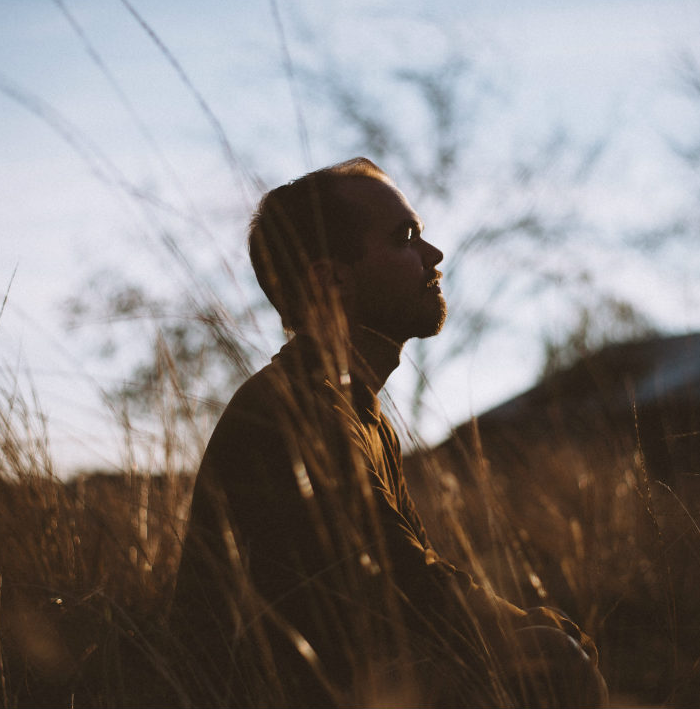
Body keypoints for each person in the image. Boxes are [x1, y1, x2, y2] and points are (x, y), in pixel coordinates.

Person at [168, 158, 607, 707]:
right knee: (551, 661)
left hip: (337, 681)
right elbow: (402, 585)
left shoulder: (359, 410)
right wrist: (526, 627)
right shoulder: (299, 411)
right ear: (332, 278)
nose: (434, 256)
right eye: (407, 238)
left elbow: (409, 576)